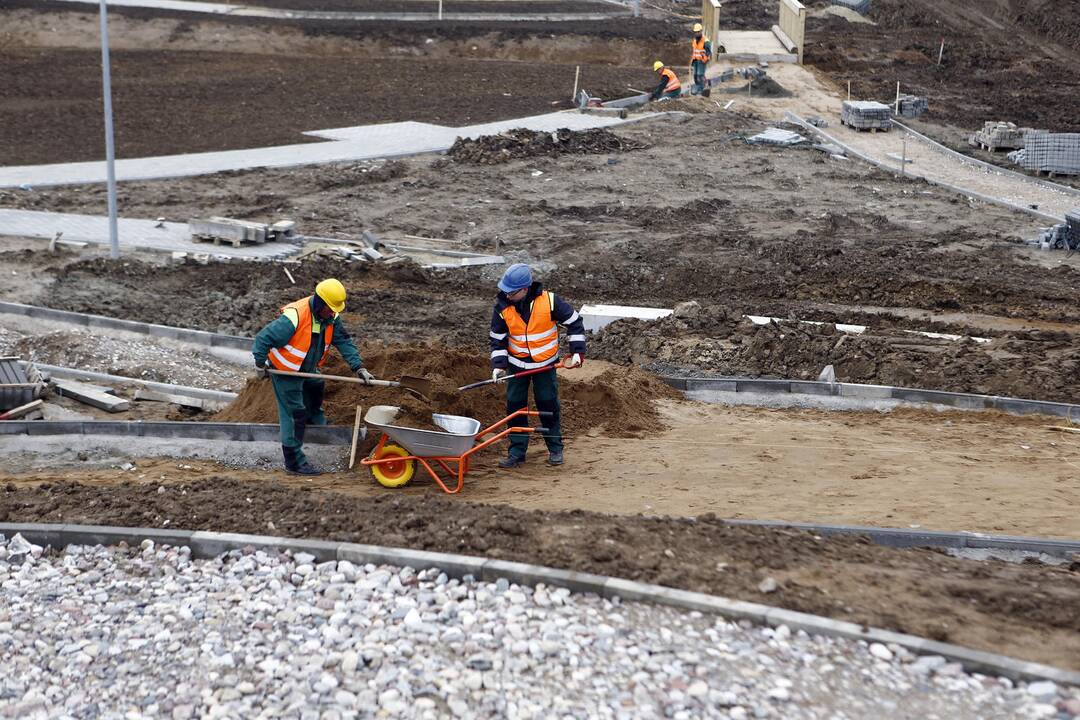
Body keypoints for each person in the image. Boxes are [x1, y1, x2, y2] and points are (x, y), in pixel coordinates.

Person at [252, 279, 374, 476]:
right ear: (320, 302)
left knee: (316, 384)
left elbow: (343, 341)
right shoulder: (294, 318)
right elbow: (262, 339)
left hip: (308, 368)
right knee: (294, 413)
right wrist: (260, 364)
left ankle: (315, 420)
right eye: (330, 308)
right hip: (286, 370)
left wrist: (359, 367)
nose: (333, 312)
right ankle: (294, 462)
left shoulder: (331, 318)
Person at [489, 264, 586, 468]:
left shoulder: (550, 302)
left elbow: (575, 322)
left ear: (525, 289)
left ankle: (555, 449)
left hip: (545, 365)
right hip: (517, 365)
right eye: (505, 290)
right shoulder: (502, 307)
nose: (507, 295)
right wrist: (499, 365)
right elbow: (497, 339)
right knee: (515, 407)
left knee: (548, 404)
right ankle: (516, 452)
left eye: (511, 292)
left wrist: (577, 352)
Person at [689, 22, 712, 96]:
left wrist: (705, 59)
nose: (697, 33)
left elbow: (708, 52)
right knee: (695, 76)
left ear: (701, 31)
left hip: (702, 61)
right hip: (695, 60)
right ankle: (699, 86)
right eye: (695, 32)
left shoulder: (706, 41)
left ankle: (701, 90)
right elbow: (694, 50)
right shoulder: (695, 40)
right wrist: (692, 60)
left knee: (700, 75)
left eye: (698, 32)